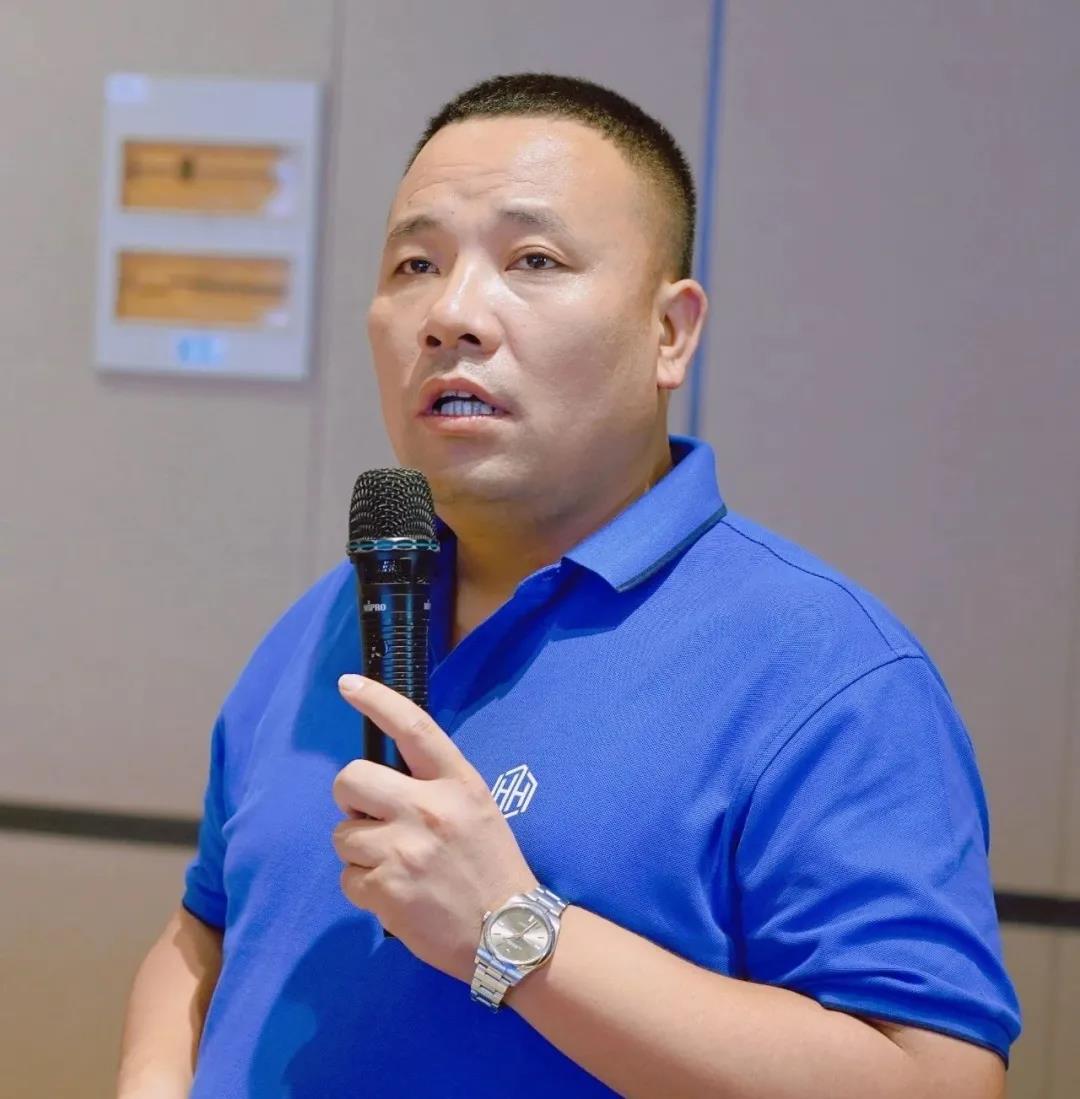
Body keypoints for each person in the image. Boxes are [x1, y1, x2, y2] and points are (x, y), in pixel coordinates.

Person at [116, 73, 1020, 1098]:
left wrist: (514, 931)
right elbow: (202, 935)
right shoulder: (329, 617)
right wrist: (153, 1075)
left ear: (670, 332)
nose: (451, 313)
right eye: (416, 264)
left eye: (533, 260)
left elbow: (937, 1079)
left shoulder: (825, 667)